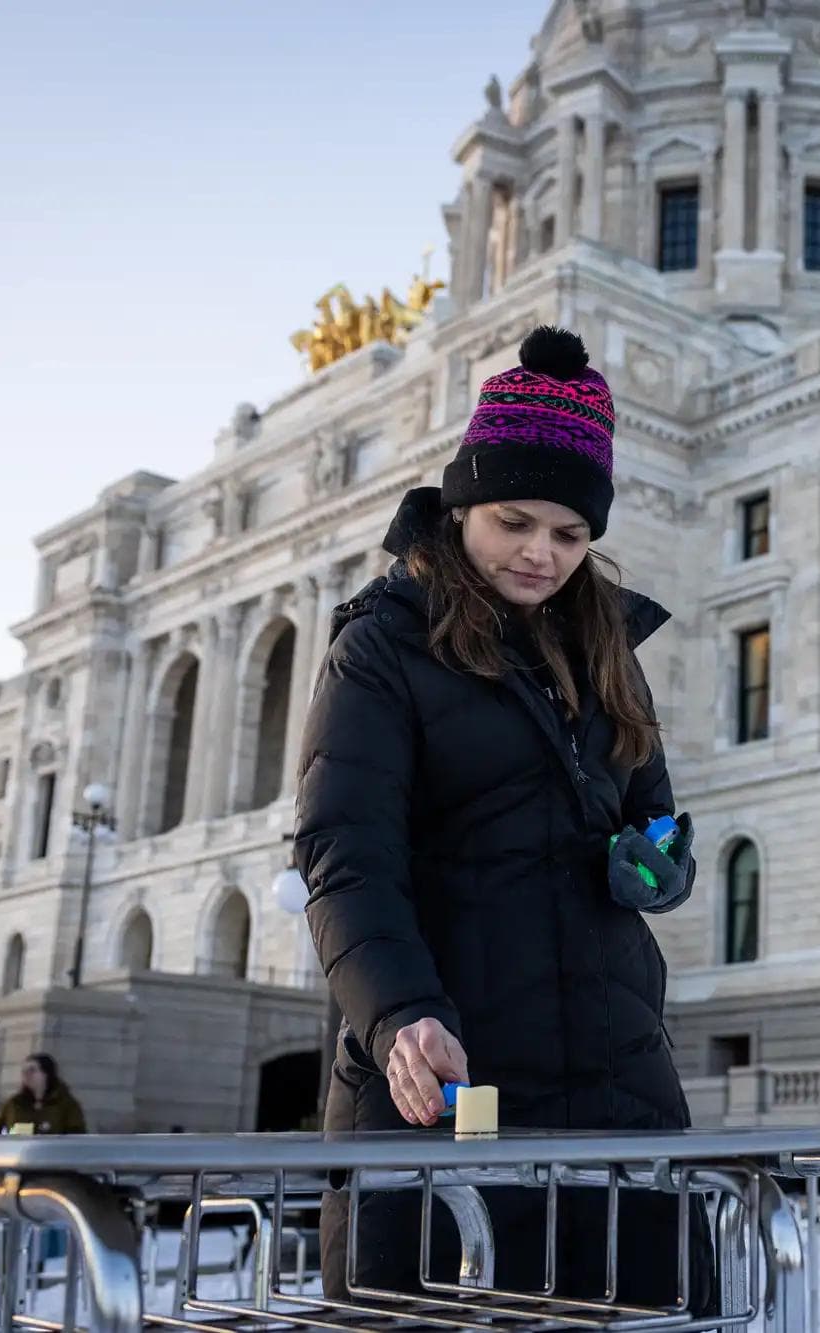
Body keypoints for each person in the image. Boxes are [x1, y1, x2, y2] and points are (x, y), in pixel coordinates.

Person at [297, 326, 710, 1308]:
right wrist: (399, 1012)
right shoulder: (383, 644)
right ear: (461, 507)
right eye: (513, 522)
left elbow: (649, 808)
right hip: (444, 1073)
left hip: (613, 1073)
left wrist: (656, 861)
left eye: (569, 536)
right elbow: (345, 853)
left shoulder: (606, 647)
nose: (539, 554)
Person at [0, 1053, 90, 1135]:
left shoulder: (66, 1104)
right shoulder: (14, 1104)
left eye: (32, 1070)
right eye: (24, 1071)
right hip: (19, 1155)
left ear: (46, 1074)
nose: (26, 1075)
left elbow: (76, 1137)